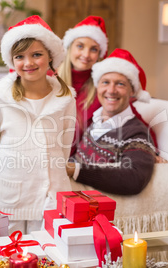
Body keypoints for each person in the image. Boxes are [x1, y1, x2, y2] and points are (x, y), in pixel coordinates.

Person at [0, 15, 76, 234]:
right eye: (20, 56)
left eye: (36, 55)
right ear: (12, 61)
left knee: (48, 251)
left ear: (50, 56)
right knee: (7, 253)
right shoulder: (1, 98)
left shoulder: (65, 98)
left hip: (50, 192)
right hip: (8, 192)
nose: (28, 63)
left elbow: (64, 147)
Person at [66, 48, 158, 195]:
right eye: (105, 82)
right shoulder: (94, 120)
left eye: (120, 84)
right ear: (97, 87)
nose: (111, 90)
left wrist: (75, 170)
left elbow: (134, 179)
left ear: (132, 91)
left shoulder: (136, 132)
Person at [58, 16, 108, 156]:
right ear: (69, 48)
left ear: (99, 54)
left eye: (93, 49)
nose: (86, 55)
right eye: (80, 46)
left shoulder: (102, 87)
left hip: (77, 163)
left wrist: (148, 146)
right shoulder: (50, 81)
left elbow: (128, 113)